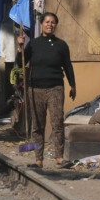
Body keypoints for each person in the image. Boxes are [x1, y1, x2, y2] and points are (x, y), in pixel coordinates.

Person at [23, 12, 77, 168]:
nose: (50, 24)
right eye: (47, 22)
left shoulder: (61, 45)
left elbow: (68, 66)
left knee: (57, 123)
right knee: (37, 125)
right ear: (41, 25)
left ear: (55, 25)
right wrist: (21, 48)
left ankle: (59, 158)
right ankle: (38, 159)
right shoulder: (33, 44)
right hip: (35, 89)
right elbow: (22, 62)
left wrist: (73, 85)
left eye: (53, 22)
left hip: (55, 88)